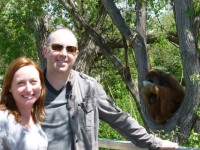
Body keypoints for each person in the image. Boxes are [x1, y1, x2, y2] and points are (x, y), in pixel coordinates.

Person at [41, 27, 179, 150]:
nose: (64, 54)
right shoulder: (29, 89)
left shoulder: (89, 87)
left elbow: (119, 119)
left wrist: (155, 142)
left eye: (70, 49)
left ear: (76, 55)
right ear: (45, 51)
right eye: (57, 47)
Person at [0, 57, 48, 150]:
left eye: (33, 82)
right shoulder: (2, 119)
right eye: (21, 83)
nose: (28, 89)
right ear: (10, 87)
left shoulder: (35, 117)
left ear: (41, 85)